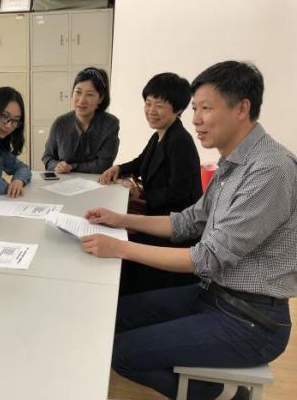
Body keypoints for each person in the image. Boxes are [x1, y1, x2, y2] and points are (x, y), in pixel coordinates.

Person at [81, 61, 296, 400]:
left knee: (122, 353)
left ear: (242, 108)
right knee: (114, 317)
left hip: (250, 320)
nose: (195, 119)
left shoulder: (270, 170)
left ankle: (227, 395)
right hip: (213, 295)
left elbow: (208, 257)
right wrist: (121, 220)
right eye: (194, 108)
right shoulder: (232, 162)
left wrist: (119, 247)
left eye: (205, 108)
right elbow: (188, 220)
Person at [99, 73, 202, 295]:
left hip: (173, 231)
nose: (151, 111)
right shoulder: (160, 135)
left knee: (117, 237)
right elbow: (141, 162)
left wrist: (141, 196)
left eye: (159, 105)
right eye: (148, 103)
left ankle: (124, 297)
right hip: (156, 217)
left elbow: (178, 193)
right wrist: (119, 168)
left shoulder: (180, 142)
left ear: (178, 109)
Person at [42, 67, 120, 174]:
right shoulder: (60, 123)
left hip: (96, 182)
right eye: (78, 92)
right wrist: (57, 165)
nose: (81, 100)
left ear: (100, 98)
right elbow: (47, 157)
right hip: (63, 181)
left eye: (89, 94)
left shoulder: (110, 124)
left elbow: (103, 165)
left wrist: (71, 167)